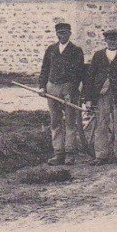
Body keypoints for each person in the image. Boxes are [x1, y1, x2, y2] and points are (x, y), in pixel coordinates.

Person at [83, 28, 117, 165]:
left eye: (115, 39)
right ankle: (101, 155)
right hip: (102, 95)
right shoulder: (98, 55)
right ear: (105, 40)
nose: (113, 42)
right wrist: (88, 99)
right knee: (101, 124)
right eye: (110, 39)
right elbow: (89, 78)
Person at [38, 21, 84, 165]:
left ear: (69, 33)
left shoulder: (76, 50)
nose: (62, 36)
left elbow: (79, 73)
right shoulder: (51, 49)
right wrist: (42, 86)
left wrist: (72, 90)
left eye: (64, 33)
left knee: (71, 122)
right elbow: (44, 68)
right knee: (55, 121)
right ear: (56, 34)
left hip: (68, 88)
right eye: (59, 33)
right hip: (52, 87)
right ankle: (58, 153)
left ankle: (70, 153)